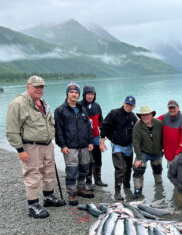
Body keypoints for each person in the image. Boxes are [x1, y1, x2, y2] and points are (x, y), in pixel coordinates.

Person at [6, 75, 65, 218]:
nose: (39, 89)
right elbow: (12, 130)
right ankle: (32, 205)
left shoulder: (42, 102)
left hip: (47, 145)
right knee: (32, 174)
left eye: (42, 87)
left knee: (48, 172)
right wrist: (20, 150)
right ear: (28, 87)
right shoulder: (18, 103)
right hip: (31, 146)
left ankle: (48, 197)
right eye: (36, 86)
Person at [54, 82, 94, 206]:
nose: (74, 94)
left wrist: (91, 141)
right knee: (71, 170)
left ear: (78, 95)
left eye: (76, 92)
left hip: (84, 145)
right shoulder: (60, 110)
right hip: (70, 146)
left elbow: (88, 127)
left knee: (84, 168)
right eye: (71, 92)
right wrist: (62, 145)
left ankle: (80, 188)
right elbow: (58, 130)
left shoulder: (82, 109)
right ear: (67, 93)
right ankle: (71, 193)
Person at [100, 95, 138, 201]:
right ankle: (117, 191)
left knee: (128, 169)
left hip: (129, 146)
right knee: (120, 168)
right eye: (127, 104)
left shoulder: (133, 117)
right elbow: (103, 126)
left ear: (134, 107)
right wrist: (102, 142)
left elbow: (139, 129)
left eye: (131, 105)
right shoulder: (114, 113)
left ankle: (127, 185)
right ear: (123, 103)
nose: (128, 106)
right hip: (117, 146)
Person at [79, 85, 107, 188]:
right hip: (84, 138)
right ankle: (88, 180)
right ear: (84, 95)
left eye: (92, 94)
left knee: (98, 159)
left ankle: (98, 179)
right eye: (88, 94)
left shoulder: (97, 106)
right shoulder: (79, 106)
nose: (90, 96)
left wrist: (103, 138)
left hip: (96, 137)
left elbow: (101, 122)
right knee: (87, 160)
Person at [132, 106, 163, 196]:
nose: (145, 117)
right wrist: (138, 157)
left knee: (158, 169)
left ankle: (159, 189)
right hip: (143, 152)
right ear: (140, 116)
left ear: (152, 115)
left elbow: (166, 135)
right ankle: (137, 191)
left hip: (157, 151)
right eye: (143, 115)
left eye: (147, 114)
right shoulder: (137, 126)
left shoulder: (159, 123)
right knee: (138, 169)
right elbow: (136, 142)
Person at [158, 100, 182, 164]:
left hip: (178, 156)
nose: (172, 110)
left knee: (180, 173)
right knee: (171, 172)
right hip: (168, 155)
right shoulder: (164, 117)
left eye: (174, 108)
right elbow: (154, 121)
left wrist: (177, 153)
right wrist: (142, 121)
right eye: (170, 108)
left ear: (178, 108)